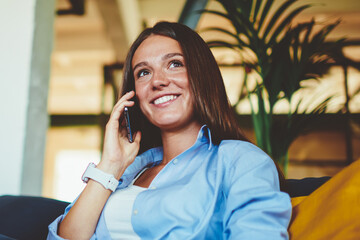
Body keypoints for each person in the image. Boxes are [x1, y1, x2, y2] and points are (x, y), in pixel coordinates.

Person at [48, 21, 291, 240]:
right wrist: (111, 164)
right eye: (143, 72)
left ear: (201, 76)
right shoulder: (129, 170)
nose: (157, 81)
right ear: (134, 95)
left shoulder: (241, 161)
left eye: (175, 64)